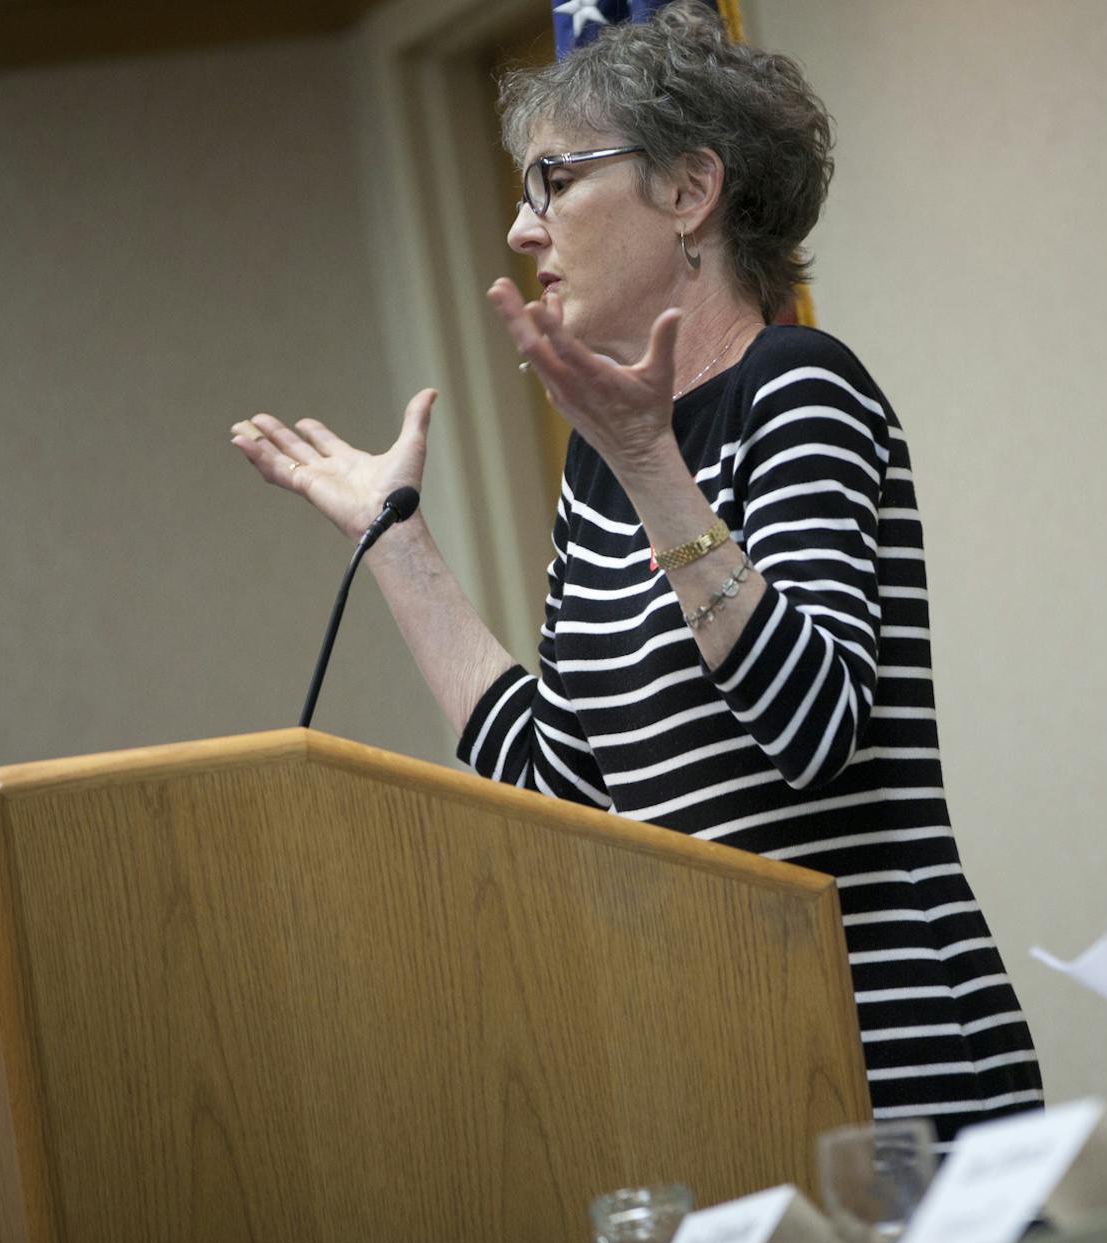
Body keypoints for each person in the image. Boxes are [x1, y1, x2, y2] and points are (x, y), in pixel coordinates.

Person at [229, 5, 1042, 1140]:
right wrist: (398, 544)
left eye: (553, 180)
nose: (521, 227)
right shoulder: (604, 468)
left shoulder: (798, 387)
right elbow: (569, 786)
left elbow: (813, 729)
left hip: (890, 1058)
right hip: (726, 1061)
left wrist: (655, 462)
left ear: (688, 191)